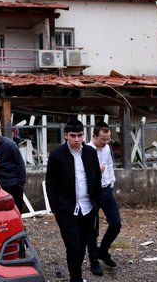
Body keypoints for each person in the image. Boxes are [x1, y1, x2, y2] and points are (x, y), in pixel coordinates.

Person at [46, 120, 102, 282]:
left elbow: (96, 179)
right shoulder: (57, 155)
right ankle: (75, 278)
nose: (77, 139)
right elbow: (51, 183)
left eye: (80, 135)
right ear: (66, 135)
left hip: (88, 208)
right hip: (67, 209)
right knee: (73, 246)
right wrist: (55, 208)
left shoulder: (91, 152)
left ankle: (76, 274)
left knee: (82, 245)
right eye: (73, 136)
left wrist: (96, 204)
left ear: (83, 135)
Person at [87, 122, 121, 276]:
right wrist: (96, 170)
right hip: (92, 193)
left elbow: (109, 165)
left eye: (108, 139)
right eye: (103, 139)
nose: (106, 142)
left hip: (107, 190)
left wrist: (111, 182)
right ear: (94, 136)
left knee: (115, 224)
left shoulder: (106, 148)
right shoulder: (86, 151)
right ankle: (94, 261)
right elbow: (81, 176)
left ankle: (103, 251)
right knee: (92, 230)